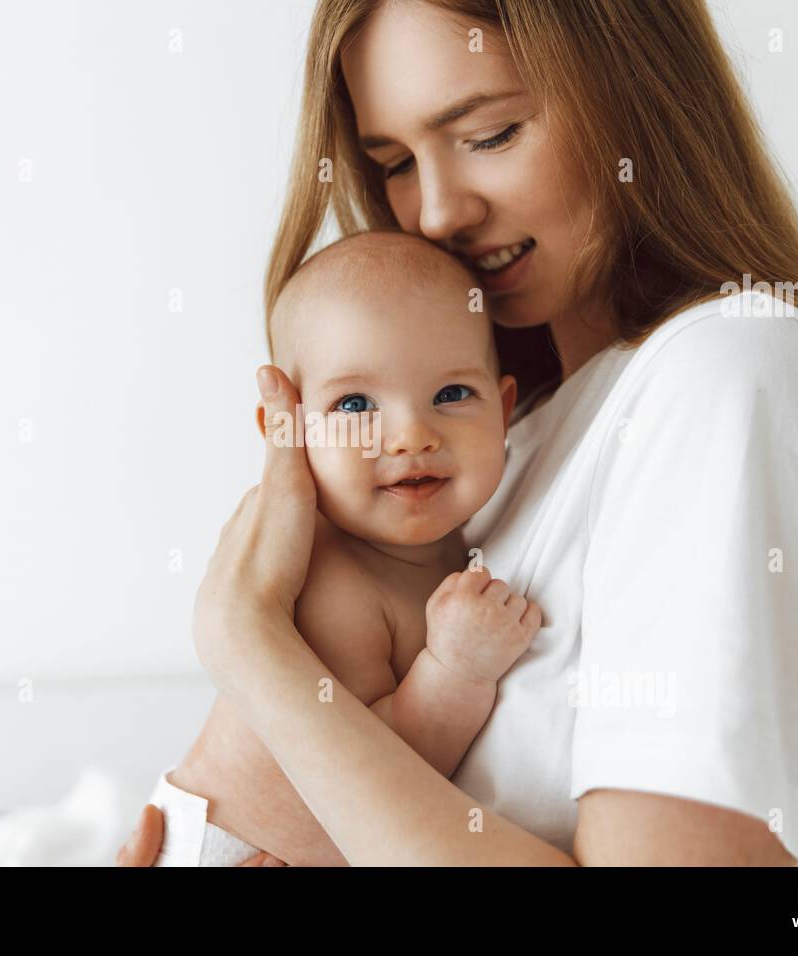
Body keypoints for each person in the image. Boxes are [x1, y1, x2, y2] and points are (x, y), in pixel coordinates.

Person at [119, 0, 798, 866]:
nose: (434, 213)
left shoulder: (729, 376)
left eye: (491, 134)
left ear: (635, 92)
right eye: (392, 162)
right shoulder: (505, 452)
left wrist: (246, 643)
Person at [147, 231, 540, 866]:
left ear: (504, 409)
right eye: (355, 404)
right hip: (222, 851)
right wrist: (457, 668)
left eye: (452, 395)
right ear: (293, 430)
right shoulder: (331, 579)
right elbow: (375, 769)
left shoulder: (461, 541)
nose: (411, 435)